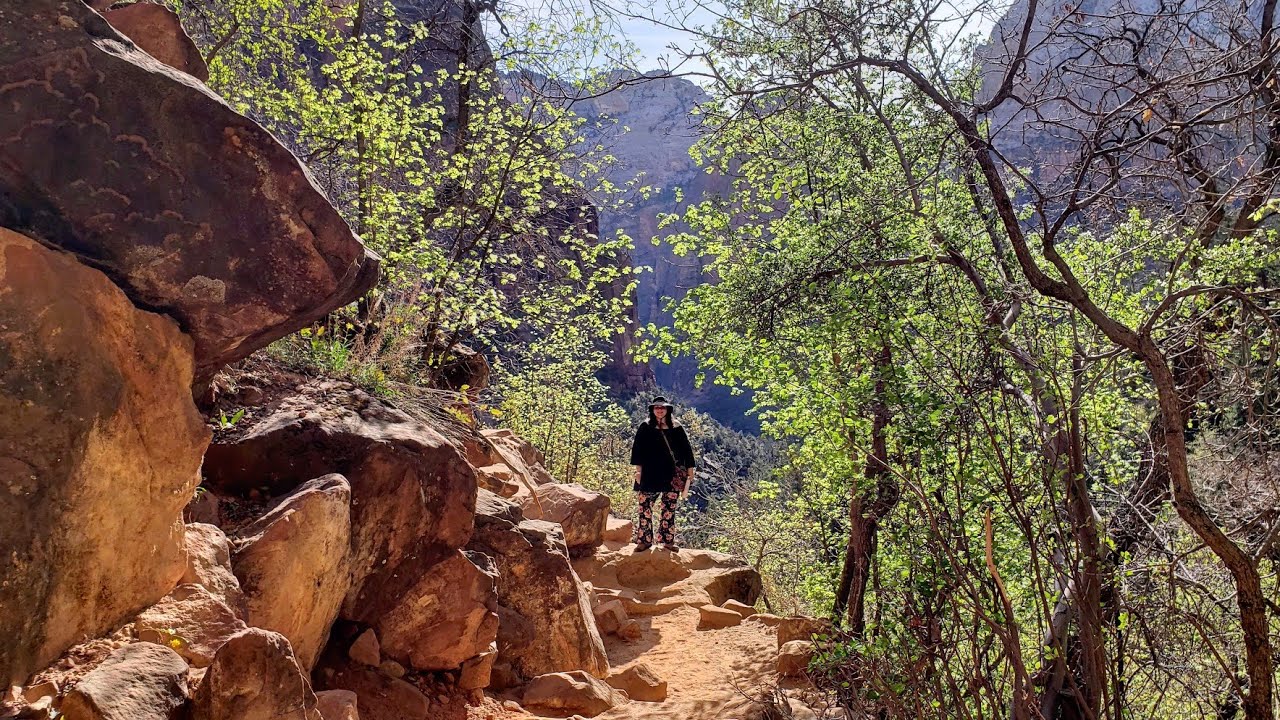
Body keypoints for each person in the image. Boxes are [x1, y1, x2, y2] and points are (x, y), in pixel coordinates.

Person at [628, 396, 696, 552]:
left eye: (662, 408)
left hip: (671, 475)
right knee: (644, 507)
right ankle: (644, 541)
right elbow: (637, 450)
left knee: (669, 508)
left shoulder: (676, 427)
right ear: (652, 410)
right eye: (657, 407)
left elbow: (686, 450)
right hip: (649, 474)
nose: (659, 410)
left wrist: (690, 471)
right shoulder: (645, 426)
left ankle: (667, 541)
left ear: (668, 410)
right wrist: (638, 471)